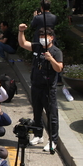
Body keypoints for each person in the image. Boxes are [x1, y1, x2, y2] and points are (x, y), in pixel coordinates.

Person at [17, 24, 63, 152]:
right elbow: (23, 43)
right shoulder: (37, 46)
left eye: (45, 36)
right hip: (35, 86)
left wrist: (51, 59)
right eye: (41, 36)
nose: (42, 39)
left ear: (51, 38)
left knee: (51, 115)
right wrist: (21, 31)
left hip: (48, 89)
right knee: (37, 112)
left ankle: (53, 141)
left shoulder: (56, 51)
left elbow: (59, 68)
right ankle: (38, 135)